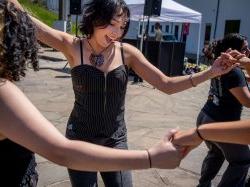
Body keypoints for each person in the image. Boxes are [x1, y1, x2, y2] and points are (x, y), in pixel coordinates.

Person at [9, 0, 237, 186]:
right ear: (97, 18)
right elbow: (33, 26)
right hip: (80, 138)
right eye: (113, 24)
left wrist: (210, 73)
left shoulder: (127, 52)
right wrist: (12, 4)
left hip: (115, 139)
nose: (117, 33)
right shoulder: (72, 46)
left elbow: (166, 84)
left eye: (122, 26)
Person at [192, 33, 250, 187]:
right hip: (220, 122)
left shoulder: (221, 64)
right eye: (244, 49)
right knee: (242, 160)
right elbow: (248, 102)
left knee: (217, 152)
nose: (248, 52)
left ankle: (203, 184)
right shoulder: (235, 72)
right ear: (234, 50)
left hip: (205, 117)